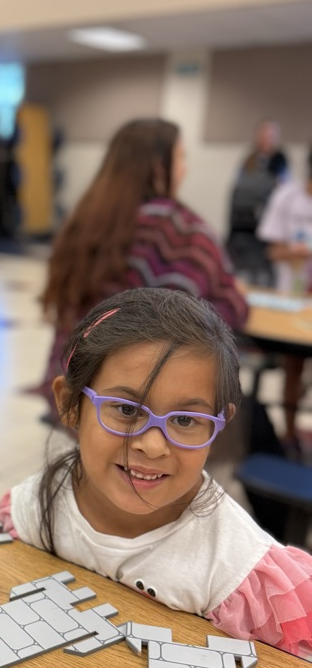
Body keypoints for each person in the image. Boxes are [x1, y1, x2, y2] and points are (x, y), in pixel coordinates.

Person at [0, 288, 312, 659]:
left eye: (185, 420)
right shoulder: (32, 509)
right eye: (127, 410)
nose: (153, 445)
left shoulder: (240, 572)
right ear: (69, 404)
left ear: (219, 426)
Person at [39, 118, 248, 416]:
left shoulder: (85, 221)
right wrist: (236, 294)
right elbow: (213, 322)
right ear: (159, 167)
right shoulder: (182, 233)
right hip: (140, 403)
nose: (185, 168)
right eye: (181, 157)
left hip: (72, 382)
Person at [256, 145, 312, 454]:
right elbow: (272, 250)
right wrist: (295, 252)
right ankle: (290, 437)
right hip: (293, 300)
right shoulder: (288, 198)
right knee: (293, 366)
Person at [226, 118, 289, 284]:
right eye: (264, 134)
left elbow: (284, 190)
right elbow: (237, 188)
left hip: (267, 224)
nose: (267, 139)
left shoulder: (280, 161)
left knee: (264, 273)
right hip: (244, 223)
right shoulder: (249, 159)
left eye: (271, 136)